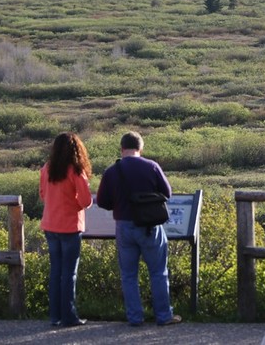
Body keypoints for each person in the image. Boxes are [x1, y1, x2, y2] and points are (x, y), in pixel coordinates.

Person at [96, 131, 181, 327]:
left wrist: (117, 206)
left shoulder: (111, 171)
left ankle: (135, 318)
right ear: (140, 148)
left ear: (122, 148)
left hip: (124, 226)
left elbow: (102, 201)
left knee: (128, 275)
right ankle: (163, 315)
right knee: (158, 272)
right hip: (150, 226)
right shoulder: (151, 166)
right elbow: (167, 193)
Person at [39, 132, 93, 328]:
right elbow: (86, 201)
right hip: (70, 226)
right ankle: (69, 316)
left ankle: (55, 315)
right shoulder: (76, 171)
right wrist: (74, 204)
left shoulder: (47, 168)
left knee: (56, 271)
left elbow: (43, 194)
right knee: (69, 273)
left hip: (50, 225)